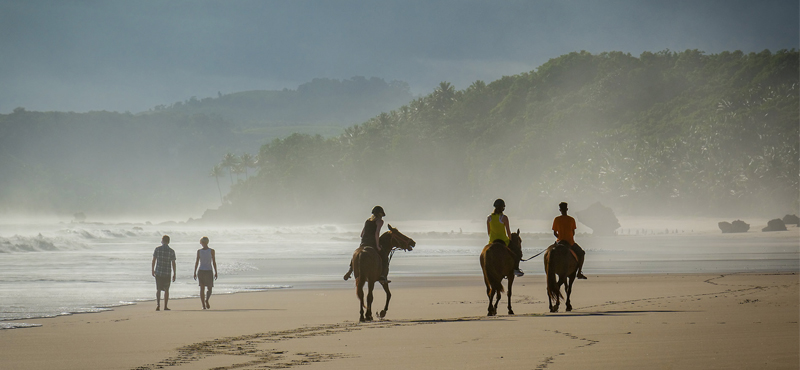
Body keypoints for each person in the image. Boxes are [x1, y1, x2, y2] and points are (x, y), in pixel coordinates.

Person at [343, 206, 389, 282]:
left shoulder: (367, 221)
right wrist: (377, 246)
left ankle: (350, 271)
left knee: (357, 253)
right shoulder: (380, 221)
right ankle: (382, 276)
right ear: (381, 214)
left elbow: (361, 234)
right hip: (372, 243)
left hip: (364, 242)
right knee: (384, 256)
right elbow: (377, 233)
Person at [487, 198, 524, 277]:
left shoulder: (489, 218)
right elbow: (508, 232)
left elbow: (489, 232)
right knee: (517, 252)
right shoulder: (504, 218)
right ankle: (516, 269)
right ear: (502, 208)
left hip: (492, 241)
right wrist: (510, 240)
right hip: (503, 240)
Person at [552, 202, 587, 279]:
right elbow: (573, 232)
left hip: (559, 242)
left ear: (560, 210)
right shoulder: (571, 219)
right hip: (570, 243)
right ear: (567, 209)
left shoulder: (556, 219)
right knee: (581, 253)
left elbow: (554, 233)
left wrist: (560, 237)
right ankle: (579, 272)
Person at [151, 235, 176, 311]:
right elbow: (173, 263)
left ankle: (158, 305)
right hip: (167, 272)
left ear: (162, 240)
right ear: (168, 241)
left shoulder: (157, 249)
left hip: (159, 272)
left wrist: (152, 269)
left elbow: (154, 260)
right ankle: (165, 306)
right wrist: (174, 273)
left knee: (158, 289)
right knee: (166, 290)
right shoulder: (171, 251)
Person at [193, 236, 218, 310]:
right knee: (209, 288)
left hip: (202, 271)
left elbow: (197, 262)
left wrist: (195, 272)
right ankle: (205, 301)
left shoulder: (200, 251)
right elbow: (213, 262)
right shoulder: (211, 251)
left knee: (202, 288)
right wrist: (216, 271)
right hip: (208, 270)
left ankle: (204, 304)